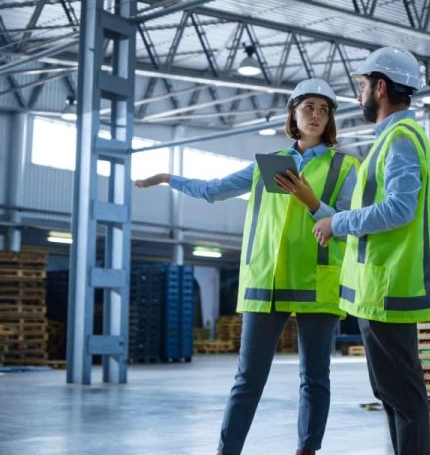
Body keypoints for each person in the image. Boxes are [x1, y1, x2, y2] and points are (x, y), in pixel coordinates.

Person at [135, 78, 359, 455]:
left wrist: (311, 201)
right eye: (309, 107)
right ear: (293, 112)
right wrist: (166, 177)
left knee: (315, 378)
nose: (316, 115)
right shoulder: (269, 166)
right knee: (248, 378)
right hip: (265, 282)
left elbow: (349, 223)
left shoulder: (345, 166)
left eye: (324, 109)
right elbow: (212, 190)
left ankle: (307, 450)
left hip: (317, 282)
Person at [312, 47, 430, 455]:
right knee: (391, 393)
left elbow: (399, 208)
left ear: (380, 87)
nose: (359, 94)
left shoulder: (399, 139)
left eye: (362, 85)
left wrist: (337, 223)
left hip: (388, 290)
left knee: (404, 397)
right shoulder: (391, 140)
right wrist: (322, 212)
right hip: (377, 291)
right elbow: (374, 215)